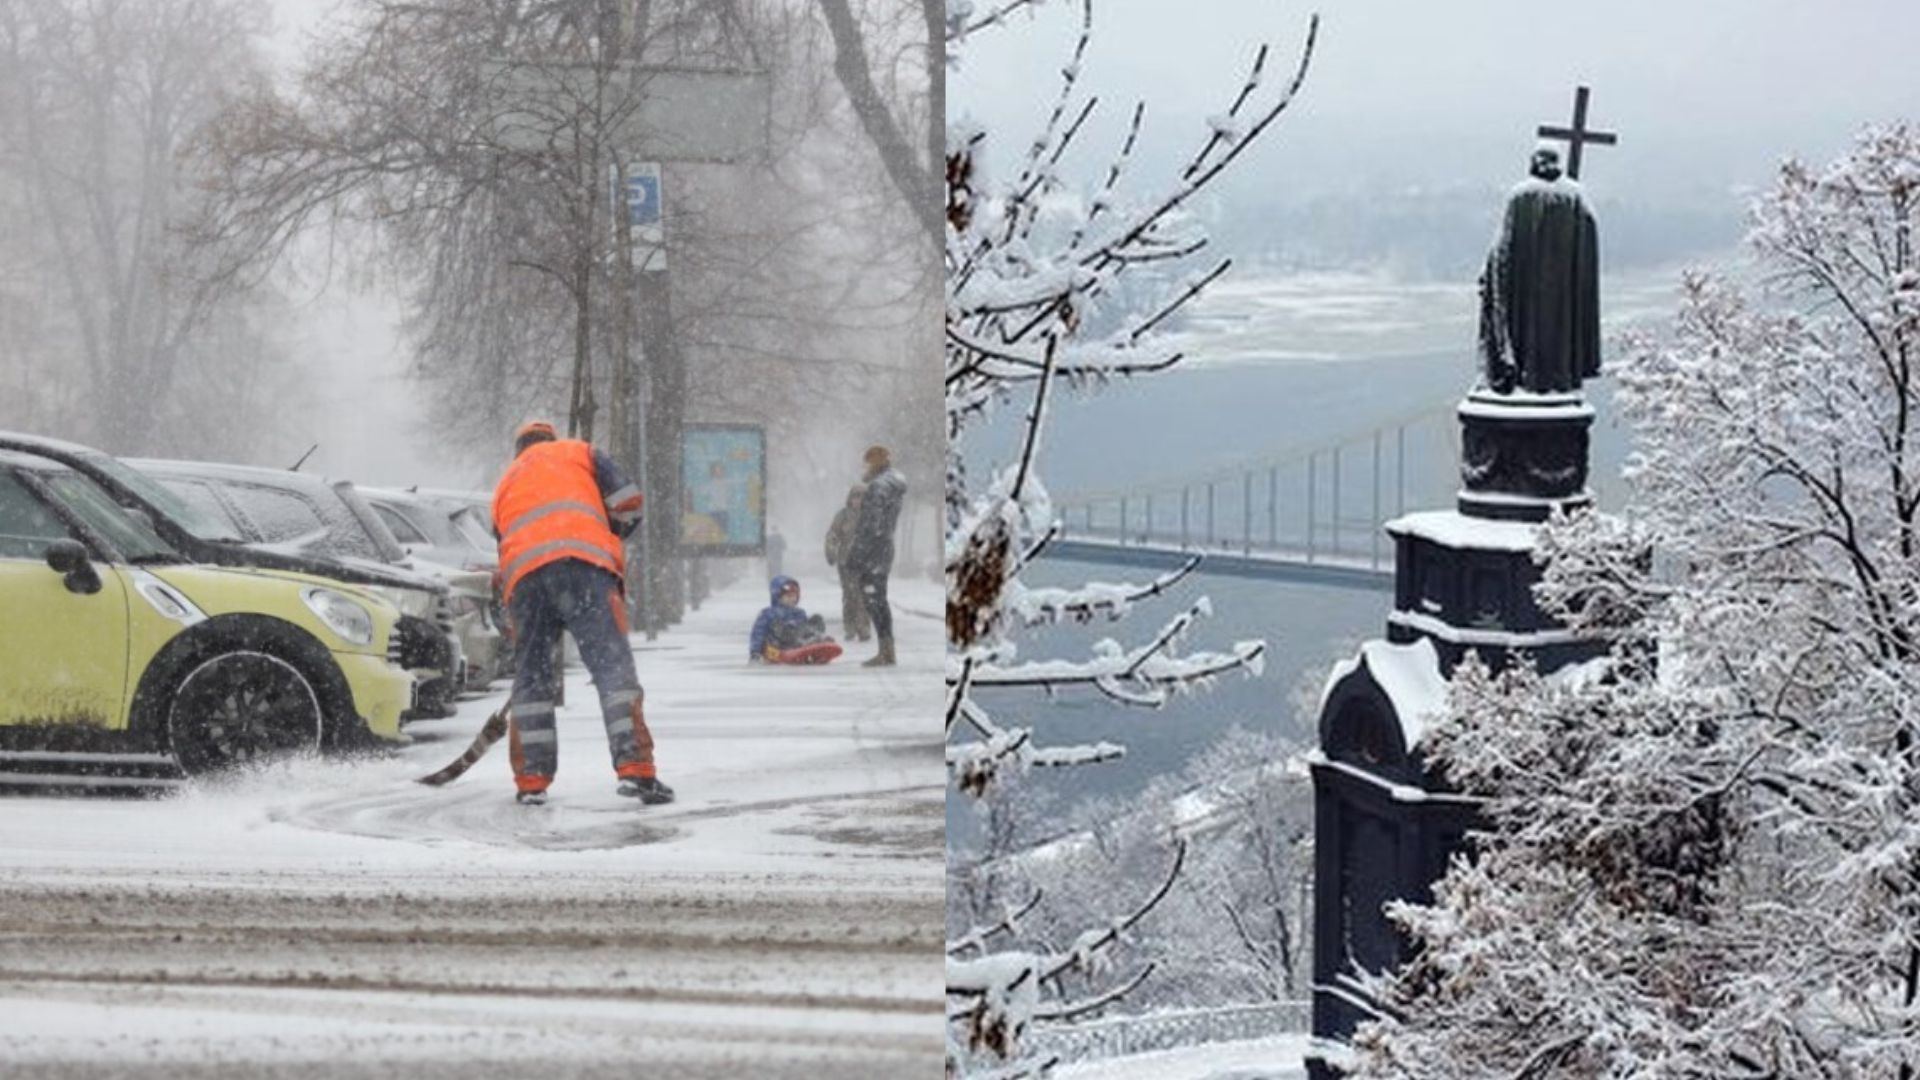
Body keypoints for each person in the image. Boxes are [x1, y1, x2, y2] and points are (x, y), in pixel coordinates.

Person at [492, 420, 673, 806]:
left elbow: (502, 542)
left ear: (519, 449)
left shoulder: (506, 481)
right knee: (611, 669)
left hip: (525, 579)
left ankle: (531, 778)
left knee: (532, 678)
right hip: (585, 569)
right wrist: (607, 532)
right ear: (550, 440)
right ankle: (635, 769)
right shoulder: (580, 452)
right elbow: (628, 500)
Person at [1477, 143, 1601, 394]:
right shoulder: (1576, 198)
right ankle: (1559, 375)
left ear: (1535, 163)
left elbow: (1503, 249)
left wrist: (1488, 273)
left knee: (1526, 333)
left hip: (1527, 294)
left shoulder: (1521, 197)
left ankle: (1525, 375)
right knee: (1559, 335)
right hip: (1564, 296)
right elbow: (1589, 241)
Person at [842, 445, 907, 667]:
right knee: (878, 599)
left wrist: (856, 555)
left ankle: (886, 652)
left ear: (875, 464)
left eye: (867, 463)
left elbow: (871, 526)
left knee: (874, 600)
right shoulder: (890, 486)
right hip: (883, 549)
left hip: (874, 552)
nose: (864, 468)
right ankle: (887, 650)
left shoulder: (878, 488)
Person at [824, 484, 871, 641]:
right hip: (846, 563)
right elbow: (832, 535)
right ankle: (850, 627)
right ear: (850, 499)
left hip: (866, 563)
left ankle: (864, 628)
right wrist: (831, 551)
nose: (858, 500)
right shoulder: (842, 516)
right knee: (850, 595)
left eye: (861, 497)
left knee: (864, 596)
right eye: (855, 497)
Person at [748, 576, 830, 663]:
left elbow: (804, 628)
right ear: (778, 597)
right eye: (788, 596)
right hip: (779, 645)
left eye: (794, 596)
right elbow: (758, 633)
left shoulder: (799, 612)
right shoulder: (768, 613)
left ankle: (816, 638)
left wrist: (809, 629)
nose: (792, 599)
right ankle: (803, 642)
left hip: (798, 637)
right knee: (780, 625)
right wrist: (755, 652)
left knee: (817, 618)